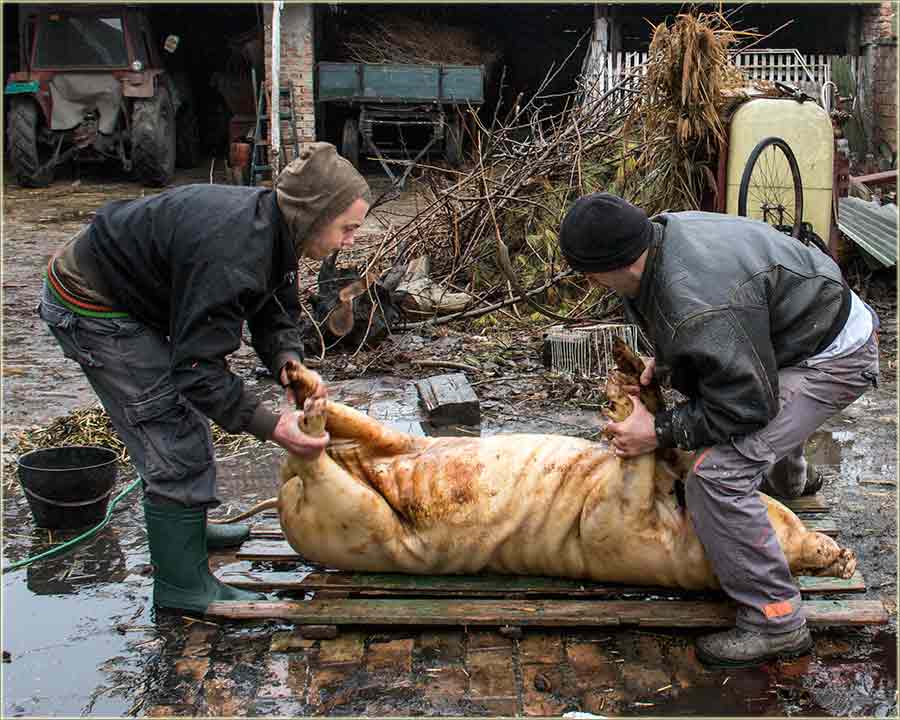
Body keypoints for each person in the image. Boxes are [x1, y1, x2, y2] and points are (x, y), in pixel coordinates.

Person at [38, 142, 370, 614]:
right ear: (315, 214)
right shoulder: (233, 251)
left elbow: (274, 305)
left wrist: (290, 366)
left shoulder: (276, 229)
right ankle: (182, 585)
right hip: (92, 303)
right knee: (171, 431)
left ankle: (187, 526)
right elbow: (198, 372)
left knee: (186, 417)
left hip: (131, 289)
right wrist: (273, 427)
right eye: (348, 228)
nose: (351, 240)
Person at [558, 192, 879, 667]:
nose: (588, 282)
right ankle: (788, 481)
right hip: (797, 327)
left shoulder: (697, 305)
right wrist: (665, 364)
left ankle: (777, 623)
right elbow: (721, 330)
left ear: (613, 264)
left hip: (832, 356)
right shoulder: (662, 236)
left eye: (589, 273)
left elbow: (747, 405)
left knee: (717, 477)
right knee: (738, 408)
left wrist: (658, 430)